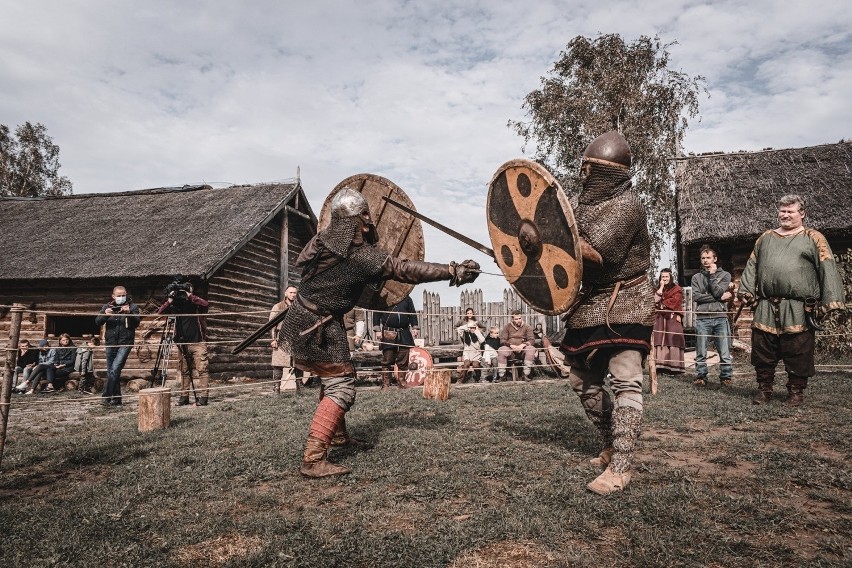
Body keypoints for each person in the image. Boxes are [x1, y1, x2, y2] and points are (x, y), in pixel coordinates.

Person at [277, 188, 479, 478]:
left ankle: (337, 437)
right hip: (317, 325)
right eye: (364, 219)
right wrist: (451, 270)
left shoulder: (320, 242)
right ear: (359, 220)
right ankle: (313, 459)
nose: (369, 225)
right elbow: (404, 269)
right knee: (341, 386)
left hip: (308, 318)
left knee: (334, 376)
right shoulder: (358, 257)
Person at [558, 131, 654, 495]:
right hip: (593, 299)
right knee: (581, 379)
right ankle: (611, 441)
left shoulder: (629, 205)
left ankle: (622, 467)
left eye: (590, 169)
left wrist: (553, 236)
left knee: (625, 378)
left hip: (628, 298)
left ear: (605, 172)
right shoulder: (578, 206)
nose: (583, 174)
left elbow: (600, 254)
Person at [738, 194, 845, 407]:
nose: (785, 215)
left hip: (798, 307)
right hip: (767, 306)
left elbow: (827, 267)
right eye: (782, 211)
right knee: (763, 351)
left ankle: (796, 394)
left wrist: (830, 300)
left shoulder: (813, 238)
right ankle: (764, 391)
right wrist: (747, 290)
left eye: (790, 211)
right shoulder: (765, 238)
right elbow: (752, 266)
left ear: (802, 213)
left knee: (797, 351)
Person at [157, 279, 210, 406]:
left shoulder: (196, 304)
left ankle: (203, 397)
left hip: (198, 342)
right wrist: (169, 301)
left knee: (202, 369)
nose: (184, 293)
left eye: (187, 290)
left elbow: (206, 304)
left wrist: (190, 297)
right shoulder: (176, 305)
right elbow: (160, 312)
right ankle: (184, 396)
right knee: (184, 371)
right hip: (182, 343)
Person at [690, 245, 734, 387]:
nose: (705, 261)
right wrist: (720, 298)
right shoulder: (696, 277)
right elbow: (697, 297)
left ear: (715, 259)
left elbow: (716, 291)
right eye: (703, 258)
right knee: (701, 350)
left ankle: (726, 377)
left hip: (720, 317)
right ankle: (701, 376)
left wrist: (713, 275)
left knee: (724, 350)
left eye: (708, 258)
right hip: (703, 317)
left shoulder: (725, 275)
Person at [96, 286, 141, 406]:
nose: (121, 297)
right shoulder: (107, 307)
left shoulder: (133, 307)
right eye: (119, 295)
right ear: (113, 296)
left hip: (125, 342)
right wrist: (105, 315)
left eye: (123, 295)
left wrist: (129, 313)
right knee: (112, 371)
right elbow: (97, 322)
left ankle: (106, 397)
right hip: (110, 343)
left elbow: (136, 323)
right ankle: (116, 399)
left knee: (115, 369)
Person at [373, 295, 419, 390]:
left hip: (404, 331)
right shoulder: (383, 298)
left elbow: (412, 313)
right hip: (389, 332)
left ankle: (402, 383)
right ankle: (386, 384)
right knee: (387, 360)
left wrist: (415, 327)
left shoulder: (406, 298)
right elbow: (376, 313)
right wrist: (377, 329)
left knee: (403, 359)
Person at [653, 268, 686, 375]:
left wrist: (662, 303)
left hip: (672, 317)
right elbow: (654, 300)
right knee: (660, 338)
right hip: (660, 318)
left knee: (672, 339)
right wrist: (661, 287)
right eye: (663, 277)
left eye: (667, 277)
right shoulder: (657, 289)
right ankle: (661, 367)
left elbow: (675, 300)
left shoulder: (677, 289)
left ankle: (675, 368)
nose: (665, 279)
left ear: (671, 277)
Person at [269, 286, 299, 394]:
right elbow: (271, 324)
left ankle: (299, 389)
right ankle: (276, 389)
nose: (293, 295)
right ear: (286, 293)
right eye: (291, 292)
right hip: (281, 337)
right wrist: (273, 339)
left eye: (295, 293)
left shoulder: (299, 307)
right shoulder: (278, 306)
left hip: (296, 338)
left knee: (298, 363)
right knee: (278, 364)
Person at [496, 310, 535, 382]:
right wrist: (511, 346)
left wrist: (523, 345)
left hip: (523, 350)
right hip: (511, 351)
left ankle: (525, 375)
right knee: (501, 349)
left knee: (531, 349)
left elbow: (531, 340)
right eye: (516, 319)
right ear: (512, 319)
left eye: (520, 318)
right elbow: (502, 340)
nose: (518, 320)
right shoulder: (507, 327)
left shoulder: (527, 327)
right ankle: (502, 376)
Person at [456, 312, 485, 383]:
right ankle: (460, 380)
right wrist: (467, 326)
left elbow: (482, 340)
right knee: (466, 364)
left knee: (476, 365)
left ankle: (478, 379)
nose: (472, 329)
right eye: (471, 328)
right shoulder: (465, 334)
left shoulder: (478, 334)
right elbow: (458, 329)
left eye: (473, 327)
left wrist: (477, 330)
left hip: (476, 354)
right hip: (467, 353)